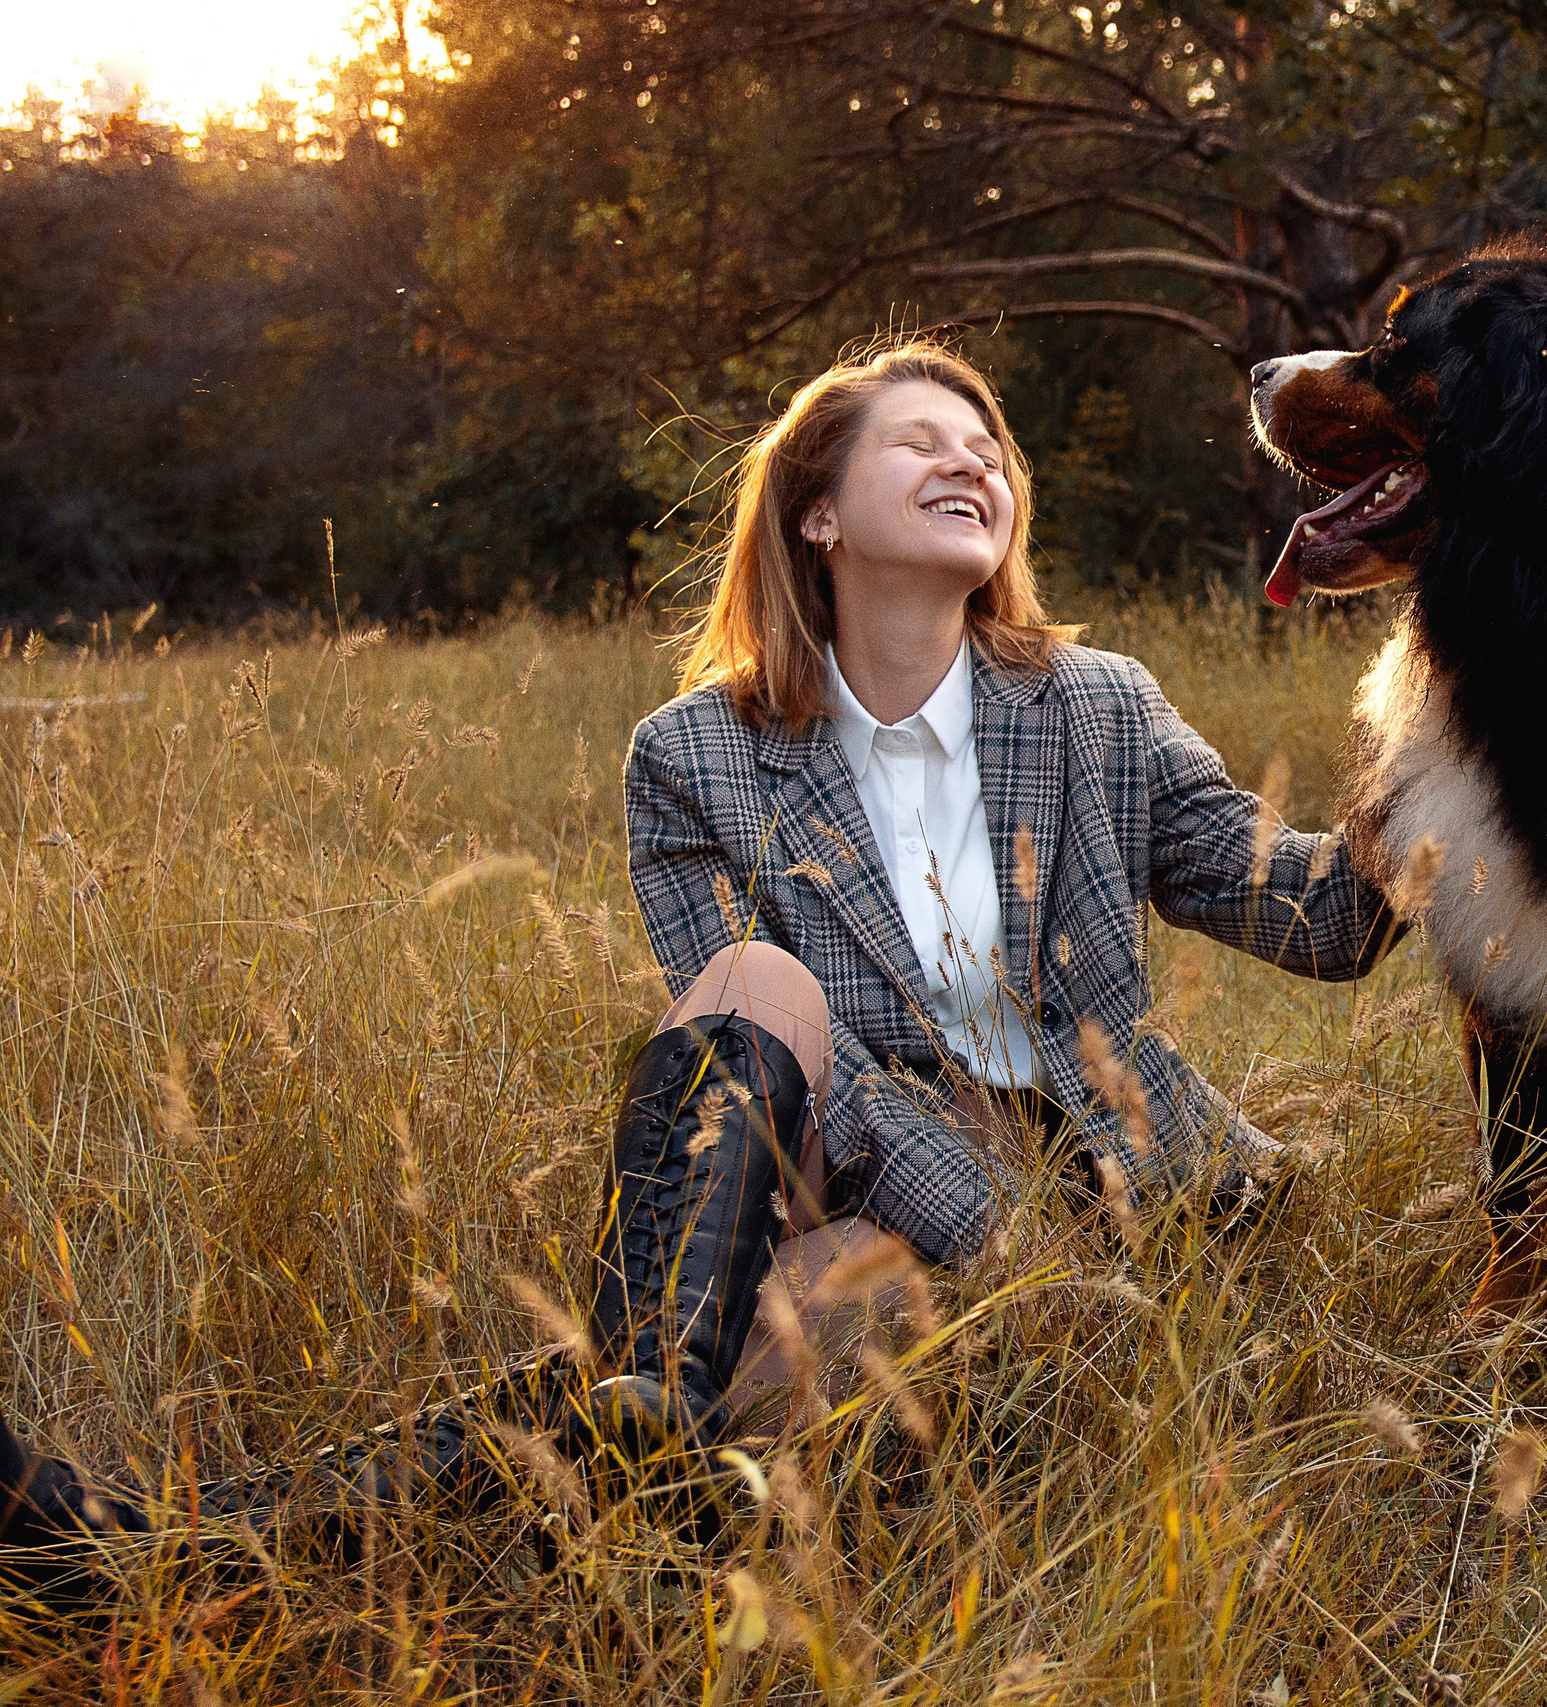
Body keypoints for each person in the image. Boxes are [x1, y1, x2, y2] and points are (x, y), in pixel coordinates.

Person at [1, 340, 1400, 1592]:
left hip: (1108, 1186)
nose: (970, 458)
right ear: (818, 511)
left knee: (761, 1331)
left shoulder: (1099, 706)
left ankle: (159, 1550)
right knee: (754, 994)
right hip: (874, 1167)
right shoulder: (695, 757)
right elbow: (810, 1086)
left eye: (989, 450)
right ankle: (626, 1406)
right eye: (922, 440)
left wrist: (1447, 720)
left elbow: (1322, 922)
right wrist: (964, 1214)